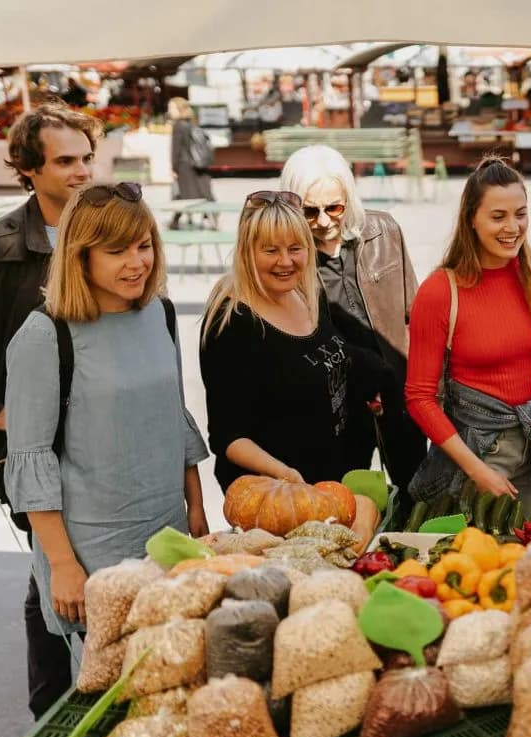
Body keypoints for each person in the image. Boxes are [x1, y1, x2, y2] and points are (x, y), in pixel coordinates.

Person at [4, 183, 208, 717]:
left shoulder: (160, 314)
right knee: (108, 702)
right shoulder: (45, 335)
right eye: (117, 251)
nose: (136, 262)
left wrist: (198, 511)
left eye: (143, 245)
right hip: (93, 553)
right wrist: (62, 564)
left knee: (169, 690)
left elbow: (174, 415)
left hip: (166, 537)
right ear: (80, 254)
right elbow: (31, 460)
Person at [405, 157, 531, 516]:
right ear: (472, 218)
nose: (513, 227)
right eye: (498, 216)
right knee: (474, 559)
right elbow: (419, 397)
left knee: (524, 556)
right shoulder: (440, 290)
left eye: (521, 214)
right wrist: (476, 470)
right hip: (474, 455)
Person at [0, 103, 100, 514]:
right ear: (29, 168)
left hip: (102, 432)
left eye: (87, 158)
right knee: (57, 562)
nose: (83, 171)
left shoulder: (110, 236)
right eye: (65, 161)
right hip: (28, 443)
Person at [278, 144, 427, 494]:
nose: (324, 221)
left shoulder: (384, 231)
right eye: (310, 211)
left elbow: (415, 312)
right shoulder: (287, 260)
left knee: (415, 494)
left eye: (334, 207)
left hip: (398, 392)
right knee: (340, 505)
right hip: (333, 408)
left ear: (349, 197)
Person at [200, 191, 357, 490]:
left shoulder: (307, 292)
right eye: (270, 250)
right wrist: (285, 475)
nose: (285, 261)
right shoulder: (232, 321)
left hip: (329, 483)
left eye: (295, 248)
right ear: (247, 251)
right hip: (274, 495)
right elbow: (228, 437)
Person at [167, 97, 215, 230]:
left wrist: (173, 167)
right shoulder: (191, 123)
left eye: (171, 108)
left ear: (178, 109)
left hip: (184, 165)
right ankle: (209, 218)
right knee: (200, 193)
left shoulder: (177, 125)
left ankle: (175, 221)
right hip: (196, 165)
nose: (169, 111)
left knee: (182, 195)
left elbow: (176, 149)